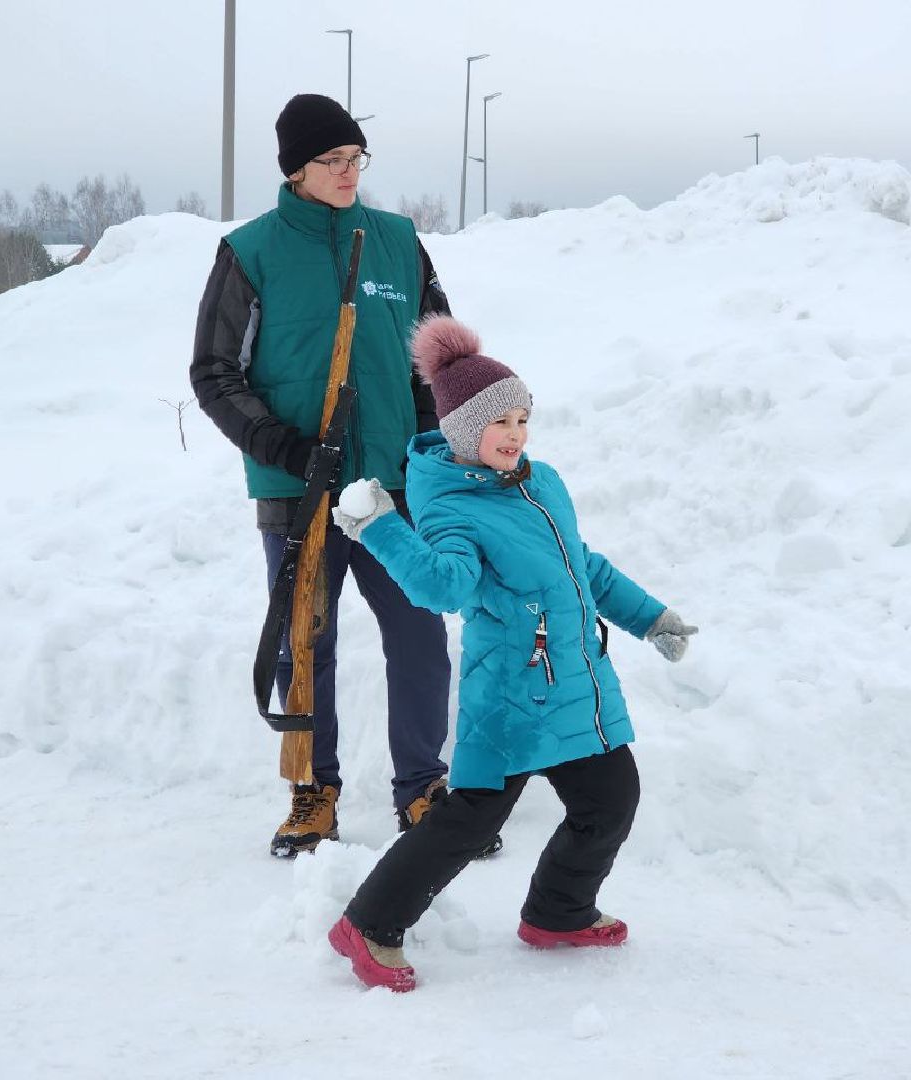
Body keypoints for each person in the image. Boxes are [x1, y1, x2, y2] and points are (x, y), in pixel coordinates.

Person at [324, 316, 698, 991]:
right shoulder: (451, 506)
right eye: (501, 422)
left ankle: (559, 911)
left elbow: (582, 566)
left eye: (523, 419)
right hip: (512, 693)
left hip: (576, 684)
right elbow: (444, 585)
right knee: (468, 823)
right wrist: (379, 528)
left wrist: (652, 618)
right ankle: (369, 923)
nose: (516, 434)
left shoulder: (540, 482)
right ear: (465, 429)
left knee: (612, 799)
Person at [190, 94, 489, 859]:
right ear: (297, 169)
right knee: (306, 642)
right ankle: (312, 790)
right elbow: (215, 372)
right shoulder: (251, 252)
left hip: (393, 488)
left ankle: (423, 786)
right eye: (334, 160)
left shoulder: (396, 243)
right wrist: (283, 450)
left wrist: (444, 451)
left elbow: (441, 363)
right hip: (299, 489)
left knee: (420, 636)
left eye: (358, 159)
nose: (351, 172)